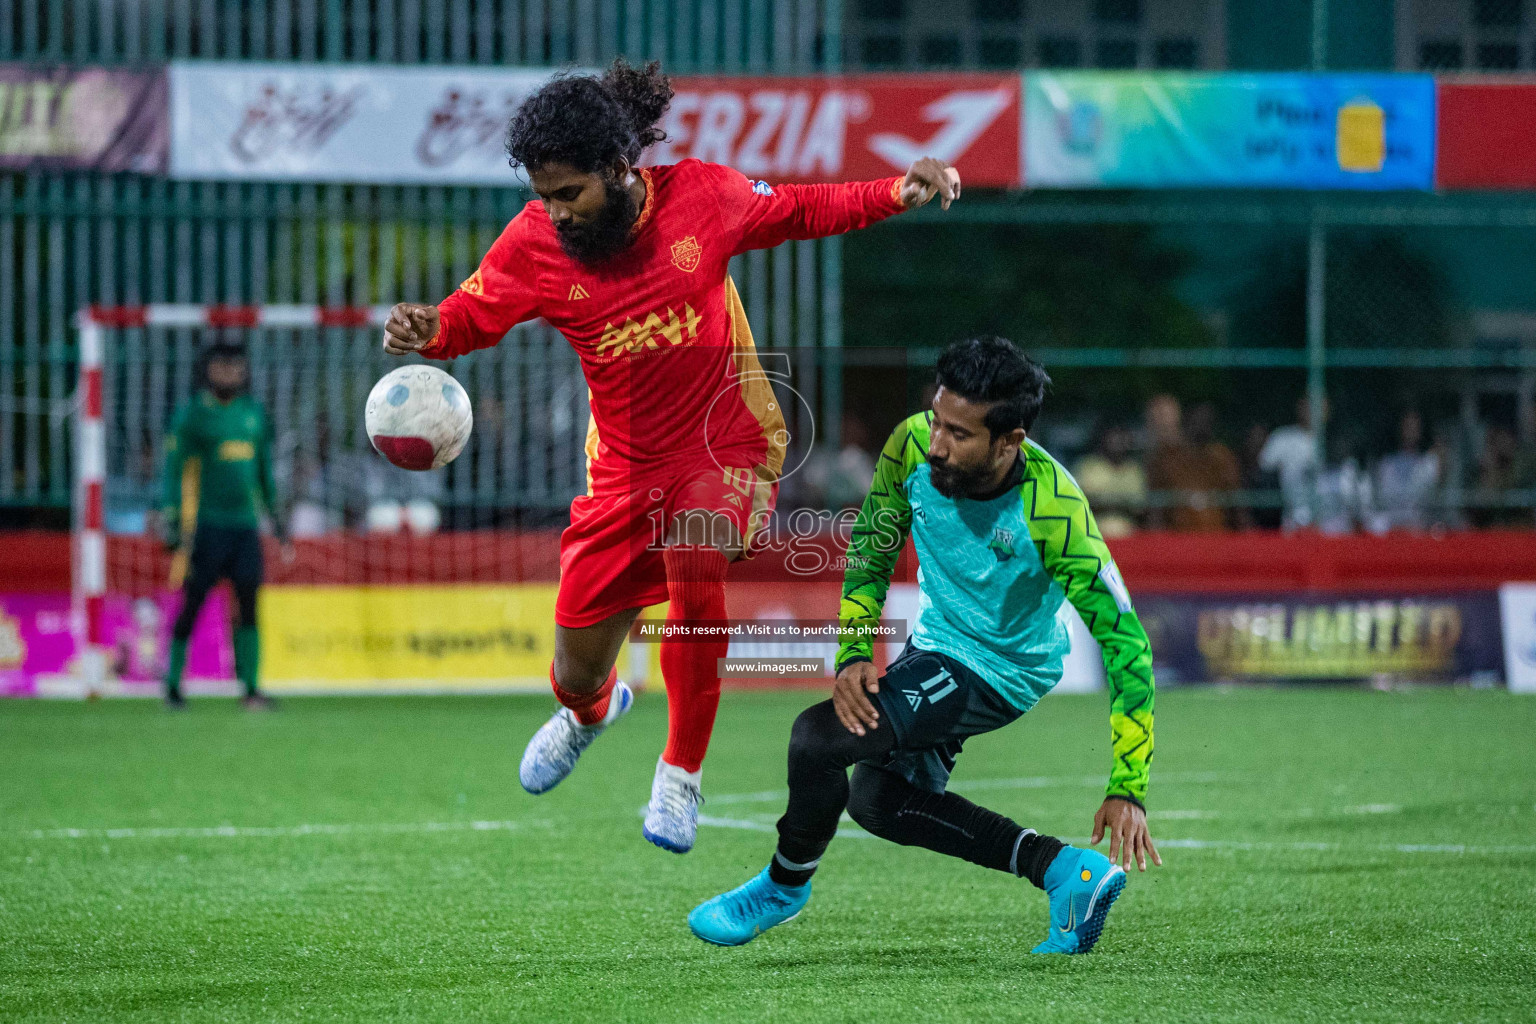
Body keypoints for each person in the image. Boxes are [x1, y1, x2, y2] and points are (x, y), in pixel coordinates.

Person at [380, 59, 962, 853]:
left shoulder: (703, 198)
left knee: (696, 551)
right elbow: (473, 315)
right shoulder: (534, 243)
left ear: (619, 169)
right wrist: (430, 330)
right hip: (621, 471)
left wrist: (898, 189)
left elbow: (801, 208)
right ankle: (592, 712)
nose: (554, 212)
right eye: (543, 195)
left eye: (568, 194)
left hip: (727, 444)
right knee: (575, 668)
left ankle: (680, 774)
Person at [688, 337, 1159, 951]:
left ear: (1010, 441)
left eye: (959, 435)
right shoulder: (911, 444)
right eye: (938, 420)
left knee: (817, 739)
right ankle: (1068, 872)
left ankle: (783, 886)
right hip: (938, 645)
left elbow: (1126, 643)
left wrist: (1128, 786)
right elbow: (873, 546)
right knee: (878, 801)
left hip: (1001, 669)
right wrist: (855, 650)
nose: (936, 442)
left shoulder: (1054, 511)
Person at [160, 339, 290, 709]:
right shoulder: (193, 415)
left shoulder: (253, 414)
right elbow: (174, 471)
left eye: (236, 366)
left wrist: (276, 518)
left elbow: (264, 472)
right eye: (222, 366)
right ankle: (172, 686)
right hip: (207, 525)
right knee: (194, 601)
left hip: (245, 527)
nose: (230, 372)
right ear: (207, 370)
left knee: (249, 602)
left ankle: (250, 688)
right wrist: (170, 516)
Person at [1147, 403, 1244, 532]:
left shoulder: (1222, 458)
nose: (1202, 427)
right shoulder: (1167, 458)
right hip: (1179, 537)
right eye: (1197, 422)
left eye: (1207, 422)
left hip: (1217, 536)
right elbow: (1157, 506)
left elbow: (1237, 503)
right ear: (1186, 423)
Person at [1259, 395, 1325, 531]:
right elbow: (1263, 472)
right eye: (1307, 404)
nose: (1312, 410)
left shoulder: (1335, 442)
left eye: (1319, 404)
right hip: (1293, 519)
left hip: (1331, 524)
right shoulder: (1282, 437)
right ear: (1299, 407)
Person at [1370, 409, 1440, 533]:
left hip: (1419, 528)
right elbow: (1378, 502)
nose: (1411, 432)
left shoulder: (1429, 463)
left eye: (1415, 427)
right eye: (1408, 426)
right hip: (1390, 528)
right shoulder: (1387, 464)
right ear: (1400, 428)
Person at [1072, 422, 1145, 537]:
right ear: (1102, 438)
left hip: (1130, 538)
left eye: (1121, 436)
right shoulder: (1087, 466)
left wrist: (1106, 502)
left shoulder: (1134, 470)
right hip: (1093, 536)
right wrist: (1119, 504)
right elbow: (1078, 504)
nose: (1117, 441)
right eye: (1112, 436)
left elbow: (1140, 509)